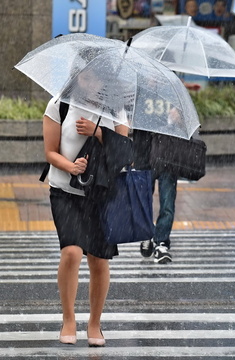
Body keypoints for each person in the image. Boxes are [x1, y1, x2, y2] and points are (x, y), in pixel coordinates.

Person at [42, 68, 129, 347]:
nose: (93, 82)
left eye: (98, 77)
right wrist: (71, 167)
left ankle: (94, 323)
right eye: (88, 77)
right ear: (77, 77)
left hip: (101, 194)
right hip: (64, 191)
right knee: (71, 252)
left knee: (99, 260)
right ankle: (69, 319)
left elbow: (126, 151)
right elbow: (50, 152)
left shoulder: (115, 107)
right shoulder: (59, 104)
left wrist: (99, 132)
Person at [133, 83, 199, 264]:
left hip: (167, 156)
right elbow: (127, 117)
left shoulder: (172, 91)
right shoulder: (138, 90)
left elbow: (187, 122)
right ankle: (147, 233)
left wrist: (179, 117)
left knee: (167, 202)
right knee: (143, 199)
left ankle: (162, 242)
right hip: (143, 154)